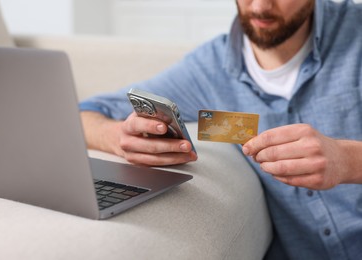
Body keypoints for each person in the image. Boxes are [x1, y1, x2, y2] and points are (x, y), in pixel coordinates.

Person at [79, 0, 362, 258]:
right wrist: (117, 137)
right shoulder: (208, 70)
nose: (261, 6)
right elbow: (84, 113)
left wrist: (347, 160)